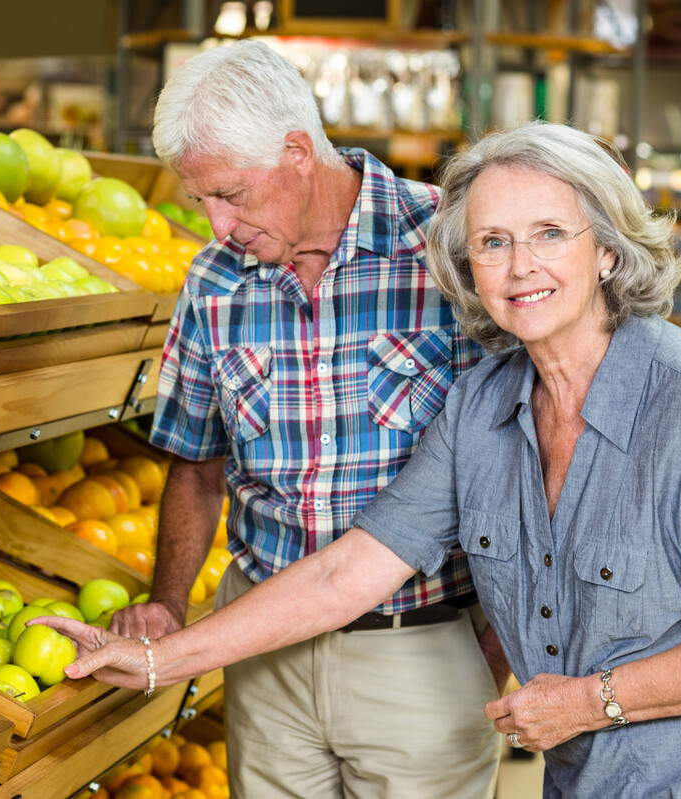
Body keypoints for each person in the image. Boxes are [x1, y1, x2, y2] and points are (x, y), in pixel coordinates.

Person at [41, 121, 681, 797]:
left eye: (550, 233)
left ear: (610, 254)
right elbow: (343, 573)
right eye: (493, 242)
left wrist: (592, 701)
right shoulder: (482, 410)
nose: (521, 266)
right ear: (465, 269)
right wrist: (156, 658)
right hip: (590, 772)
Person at [106, 39, 504, 798]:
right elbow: (195, 464)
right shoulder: (214, 283)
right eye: (201, 202)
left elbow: (517, 456)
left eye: (232, 194)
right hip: (264, 654)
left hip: (420, 647)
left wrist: (490, 644)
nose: (219, 226)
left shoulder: (447, 247)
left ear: (297, 153)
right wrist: (167, 600)